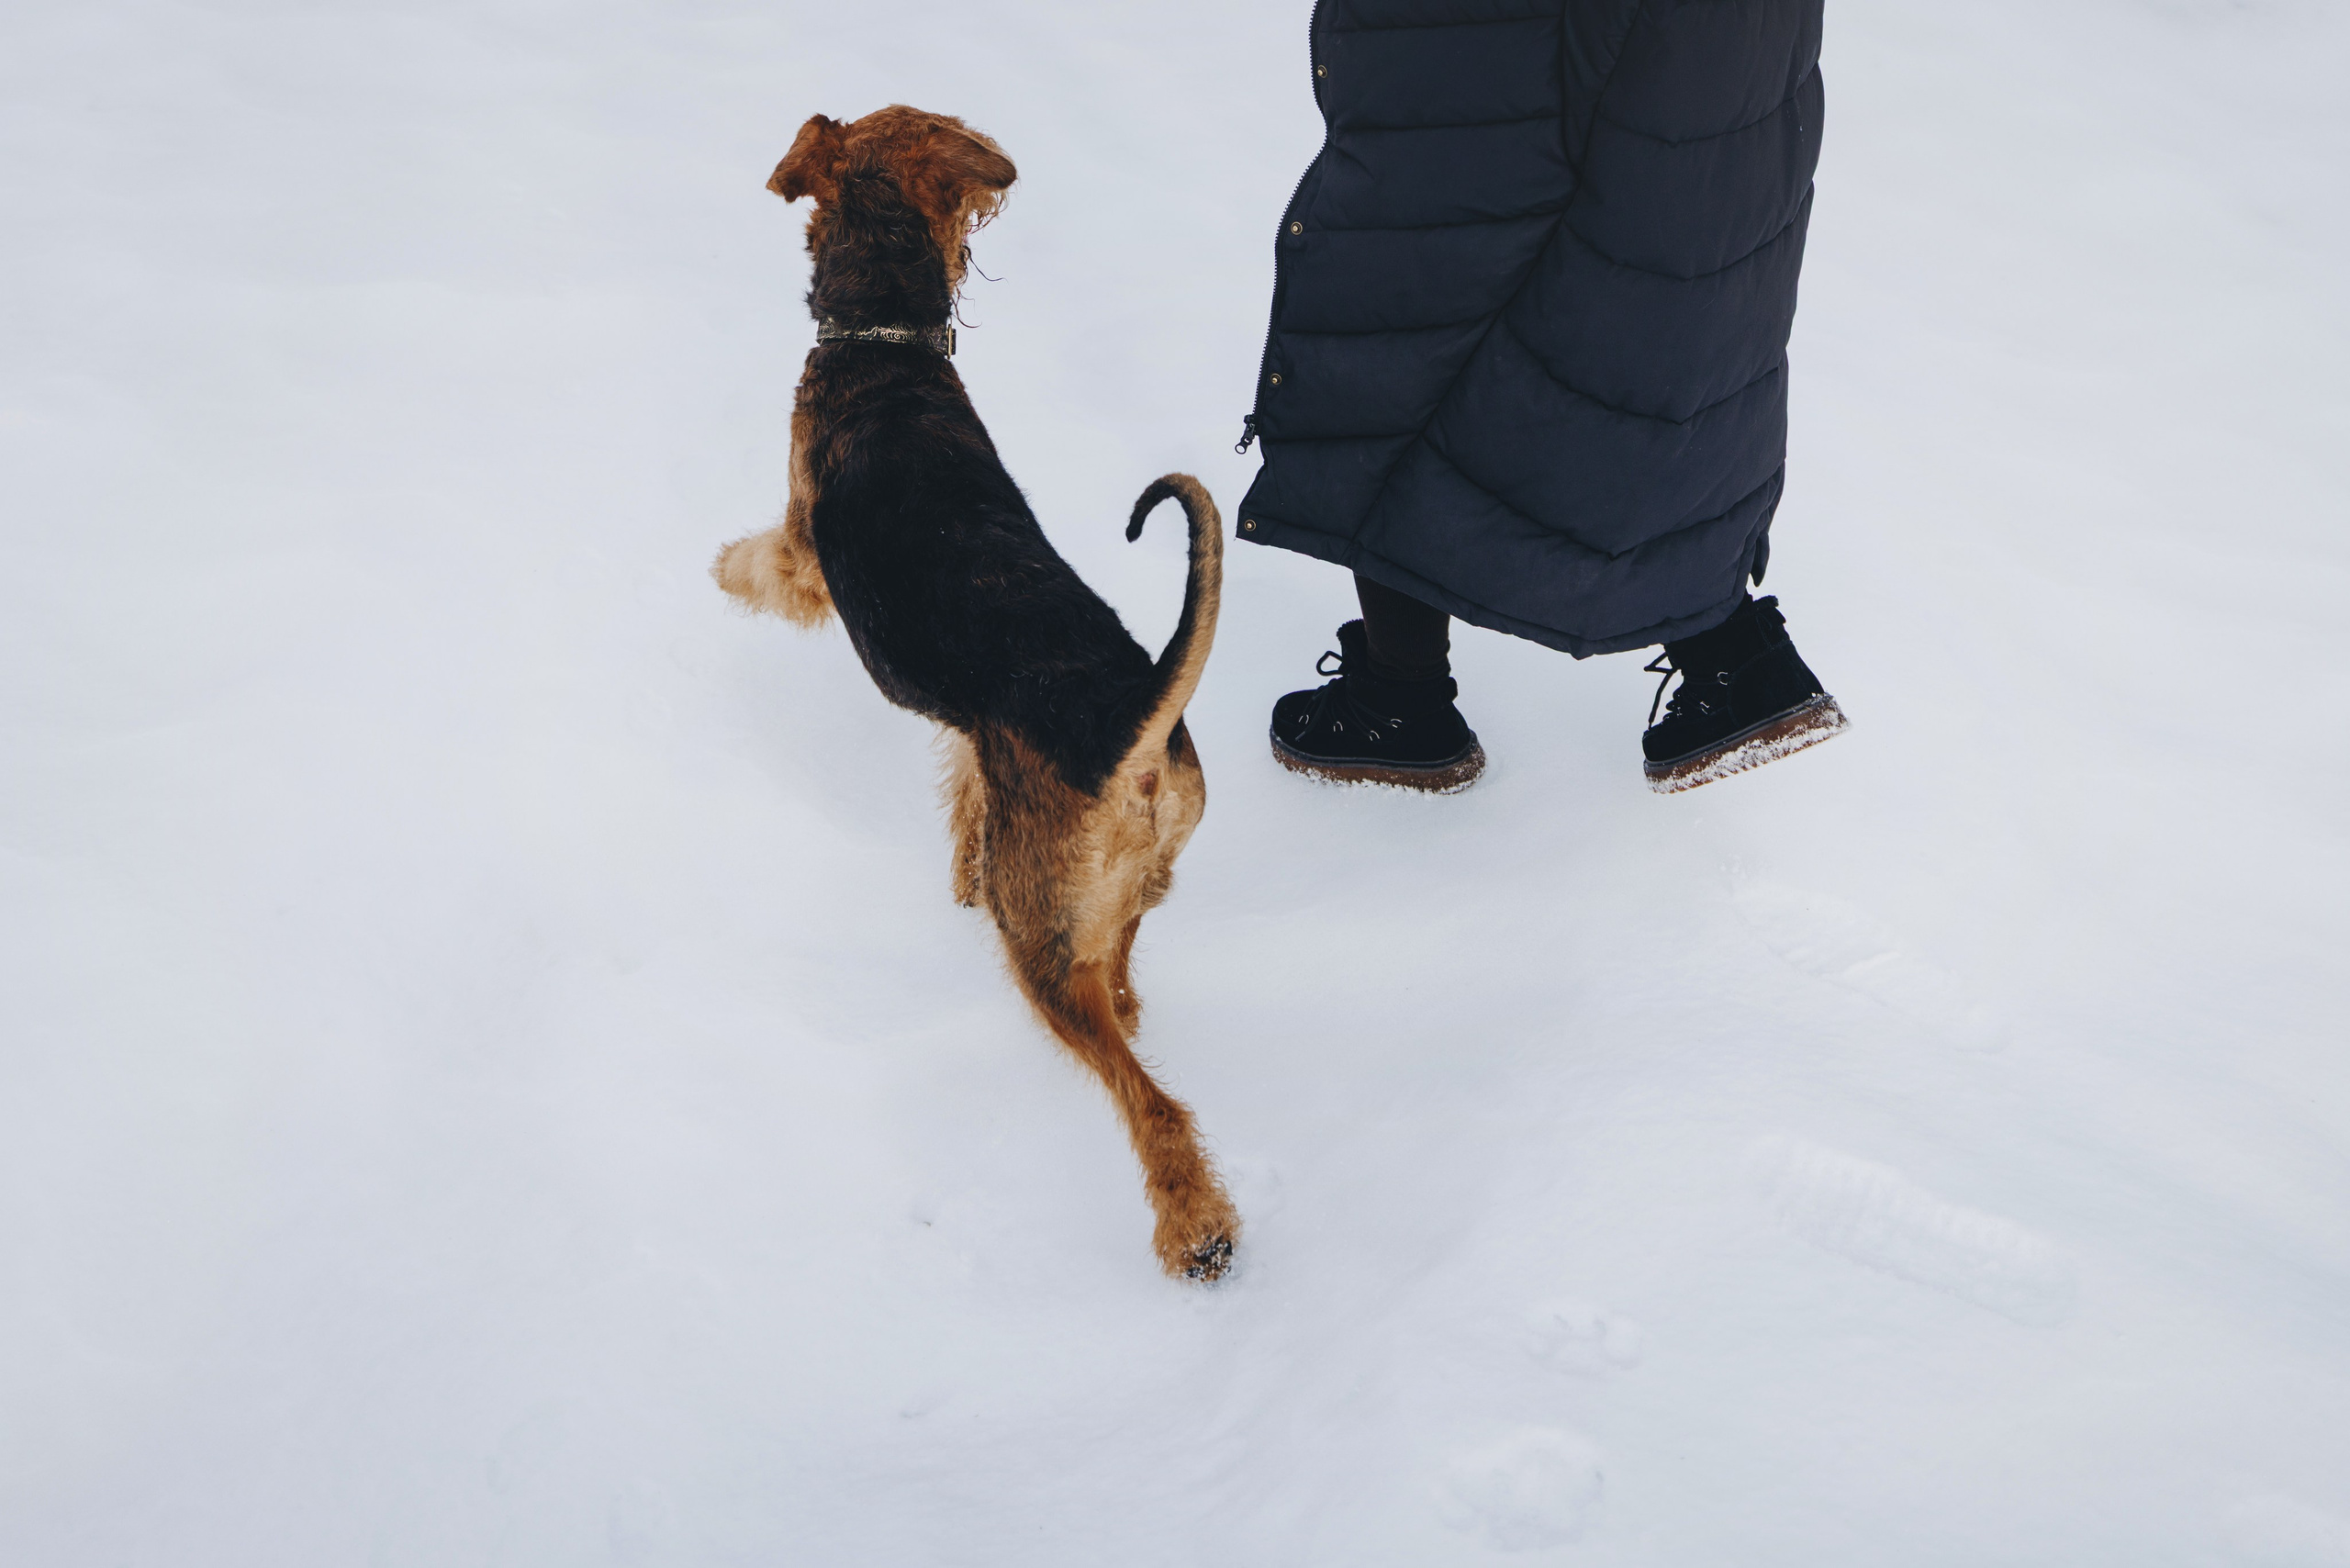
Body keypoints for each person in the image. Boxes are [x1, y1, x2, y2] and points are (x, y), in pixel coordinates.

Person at [1235, 0, 1847, 794]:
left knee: (1395, 332)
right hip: (1717, 84)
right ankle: (1734, 661)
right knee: (1658, 353)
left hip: (1554, 75)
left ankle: (1397, 698)